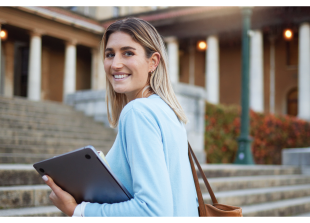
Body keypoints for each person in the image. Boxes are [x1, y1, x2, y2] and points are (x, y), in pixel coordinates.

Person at [42, 17, 199, 217]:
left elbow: (153, 210)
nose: (115, 64)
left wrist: (79, 210)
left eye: (128, 53)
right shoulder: (169, 112)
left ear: (153, 62)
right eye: (110, 54)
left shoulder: (137, 112)